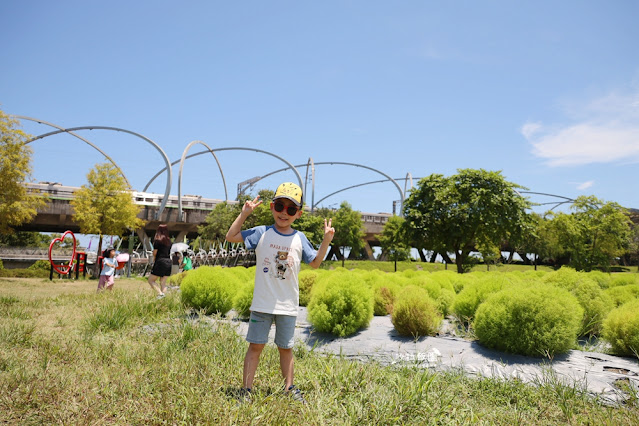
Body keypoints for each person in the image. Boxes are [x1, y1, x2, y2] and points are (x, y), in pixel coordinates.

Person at [225, 182, 335, 404]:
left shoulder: (299, 238)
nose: (284, 213)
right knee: (255, 346)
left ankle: (290, 388)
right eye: (279, 206)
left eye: (291, 209)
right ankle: (246, 391)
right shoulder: (261, 233)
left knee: (286, 348)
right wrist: (244, 213)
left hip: (287, 305)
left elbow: (315, 263)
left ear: (298, 214)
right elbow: (231, 236)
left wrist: (326, 241)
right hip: (262, 304)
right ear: (272, 207)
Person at [148, 224, 172, 298]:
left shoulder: (158, 241)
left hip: (160, 261)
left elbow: (155, 253)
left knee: (151, 280)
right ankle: (164, 299)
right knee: (163, 282)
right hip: (168, 262)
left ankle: (160, 294)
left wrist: (153, 260)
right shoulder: (169, 241)